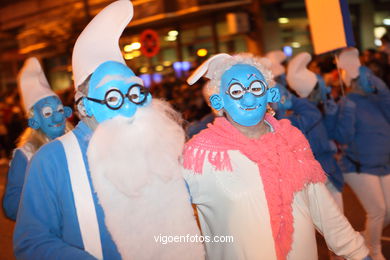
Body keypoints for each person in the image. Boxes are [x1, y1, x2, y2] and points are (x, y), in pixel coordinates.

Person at [13, 1, 204, 260]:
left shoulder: (155, 142)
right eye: (114, 97)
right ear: (85, 106)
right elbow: (31, 242)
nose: (130, 106)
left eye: (135, 93)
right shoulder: (53, 160)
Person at [182, 53, 371, 260]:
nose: (249, 97)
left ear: (270, 94)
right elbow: (166, 215)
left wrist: (358, 253)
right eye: (236, 91)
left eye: (256, 88)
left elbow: (323, 209)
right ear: (219, 101)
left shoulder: (292, 141)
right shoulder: (200, 155)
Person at [332, 47, 390, 260]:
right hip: (358, 166)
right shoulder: (348, 102)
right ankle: (373, 251)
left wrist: (382, 90)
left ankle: (365, 238)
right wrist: (347, 108)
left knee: (387, 211)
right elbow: (343, 136)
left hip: (382, 164)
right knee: (377, 211)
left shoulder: (377, 99)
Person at [3, 57, 72, 220]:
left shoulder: (76, 141)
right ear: (34, 121)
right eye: (48, 113)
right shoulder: (26, 154)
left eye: (60, 111)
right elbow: (11, 206)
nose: (57, 119)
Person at [286, 52, 344, 210]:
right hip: (318, 174)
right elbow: (309, 148)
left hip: (329, 171)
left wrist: (332, 117)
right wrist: (328, 146)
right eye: (320, 87)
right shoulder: (302, 115)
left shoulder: (318, 108)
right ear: (312, 90)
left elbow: (329, 133)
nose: (324, 90)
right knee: (336, 225)